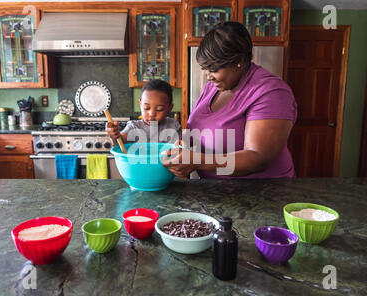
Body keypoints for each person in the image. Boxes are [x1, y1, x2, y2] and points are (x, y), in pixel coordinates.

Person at [161, 21, 297, 179]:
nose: (208, 76)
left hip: (262, 195)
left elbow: (258, 158)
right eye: (205, 69)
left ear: (238, 61)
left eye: (214, 69)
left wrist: (197, 160)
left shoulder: (271, 92)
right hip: (217, 194)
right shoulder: (214, 87)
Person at [106, 79, 182, 144]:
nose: (152, 114)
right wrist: (115, 135)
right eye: (146, 108)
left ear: (169, 108)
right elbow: (121, 140)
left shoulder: (174, 126)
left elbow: (181, 149)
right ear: (140, 104)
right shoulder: (134, 127)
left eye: (159, 109)